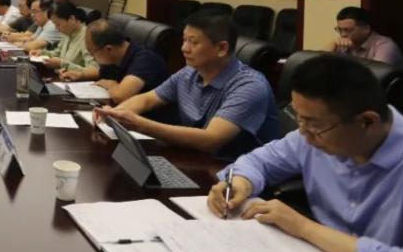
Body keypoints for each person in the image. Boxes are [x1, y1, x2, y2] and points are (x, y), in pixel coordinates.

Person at [208, 54, 403, 252]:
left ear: (367, 122)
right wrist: (240, 183)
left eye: (313, 125)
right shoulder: (314, 134)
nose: (303, 134)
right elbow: (257, 162)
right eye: (299, 119)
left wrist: (304, 228)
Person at [95, 10, 279, 158]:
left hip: (234, 173)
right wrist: (116, 114)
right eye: (184, 40)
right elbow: (147, 99)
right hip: (194, 158)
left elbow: (211, 140)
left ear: (221, 48)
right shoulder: (189, 72)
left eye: (194, 42)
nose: (184, 48)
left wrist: (139, 124)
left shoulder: (249, 86)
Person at [61, 19, 168, 104]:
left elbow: (120, 96)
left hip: (150, 120)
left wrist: (111, 84)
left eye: (92, 53)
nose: (92, 57)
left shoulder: (145, 60)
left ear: (108, 49)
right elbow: (100, 72)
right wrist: (80, 75)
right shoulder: (115, 56)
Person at [325, 7, 403, 70]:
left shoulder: (386, 46)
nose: (343, 34)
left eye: (348, 30)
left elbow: (374, 76)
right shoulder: (343, 44)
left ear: (366, 29)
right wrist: (332, 44)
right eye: (339, 30)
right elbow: (320, 68)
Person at [30, 1, 97, 75]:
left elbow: (94, 70)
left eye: (58, 24)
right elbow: (58, 53)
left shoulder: (87, 37)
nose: (57, 28)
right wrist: (42, 53)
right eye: (55, 25)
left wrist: (62, 64)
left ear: (71, 18)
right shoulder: (67, 33)